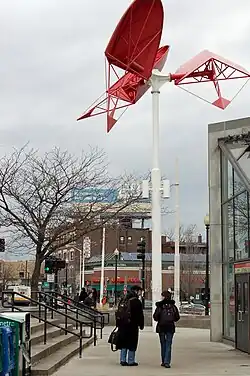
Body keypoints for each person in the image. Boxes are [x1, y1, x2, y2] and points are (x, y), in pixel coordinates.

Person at [116, 285, 144, 367]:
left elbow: (119, 312)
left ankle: (122, 359)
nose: (140, 293)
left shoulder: (123, 299)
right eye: (139, 291)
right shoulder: (136, 302)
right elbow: (140, 315)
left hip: (123, 325)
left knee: (124, 342)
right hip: (132, 325)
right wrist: (141, 324)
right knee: (132, 342)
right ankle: (131, 360)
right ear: (136, 291)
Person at [153, 290, 180, 368]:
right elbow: (177, 317)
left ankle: (163, 360)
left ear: (164, 297)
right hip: (170, 327)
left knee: (163, 344)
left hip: (161, 327)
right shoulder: (173, 306)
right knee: (169, 344)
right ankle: (167, 361)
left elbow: (155, 317)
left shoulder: (160, 306)